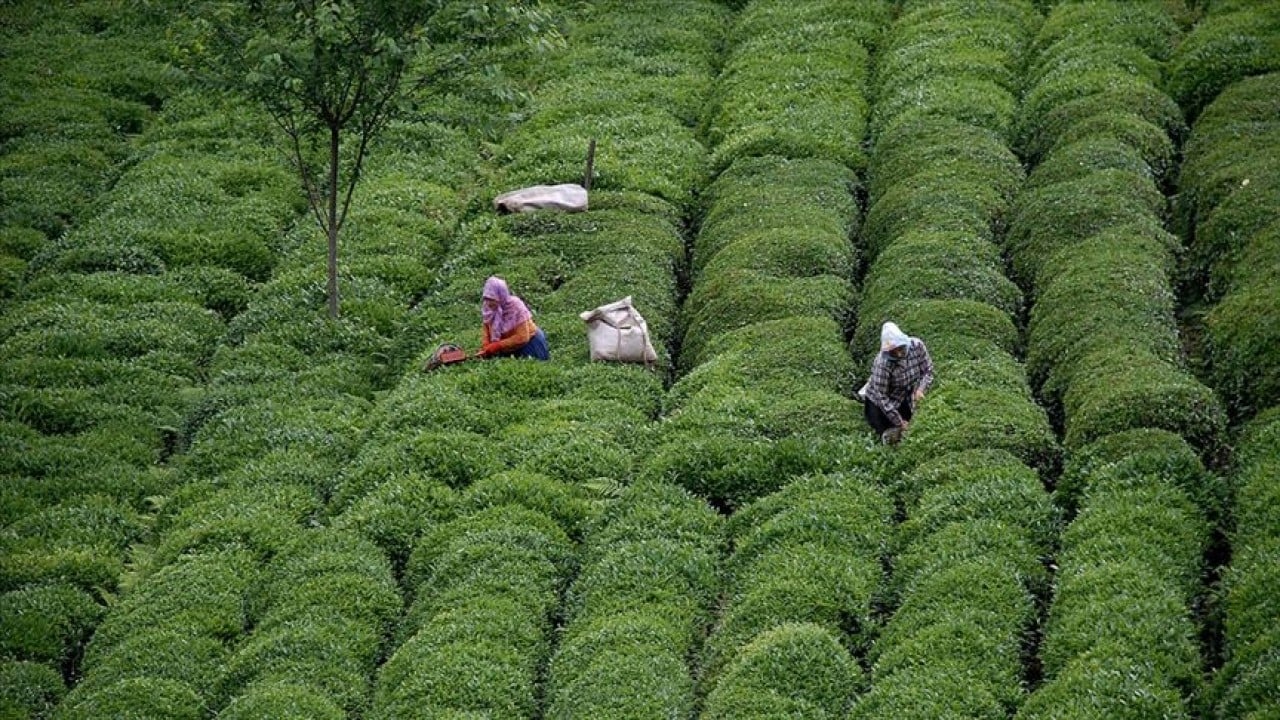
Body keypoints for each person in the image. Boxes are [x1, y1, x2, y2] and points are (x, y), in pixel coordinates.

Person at [862, 321, 933, 445]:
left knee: (909, 428)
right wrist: (899, 421)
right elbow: (881, 397)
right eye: (893, 352)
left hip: (902, 395)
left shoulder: (917, 346)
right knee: (886, 433)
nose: (899, 354)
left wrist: (920, 389)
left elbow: (928, 371)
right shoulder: (882, 363)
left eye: (900, 348)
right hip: (879, 402)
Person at [478, 276, 550, 360]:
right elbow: (486, 328)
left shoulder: (515, 306)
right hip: (507, 347)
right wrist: (486, 346)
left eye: (492, 299)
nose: (488, 303)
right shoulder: (488, 308)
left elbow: (522, 337)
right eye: (486, 299)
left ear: (501, 296)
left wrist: (498, 345)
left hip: (529, 344)